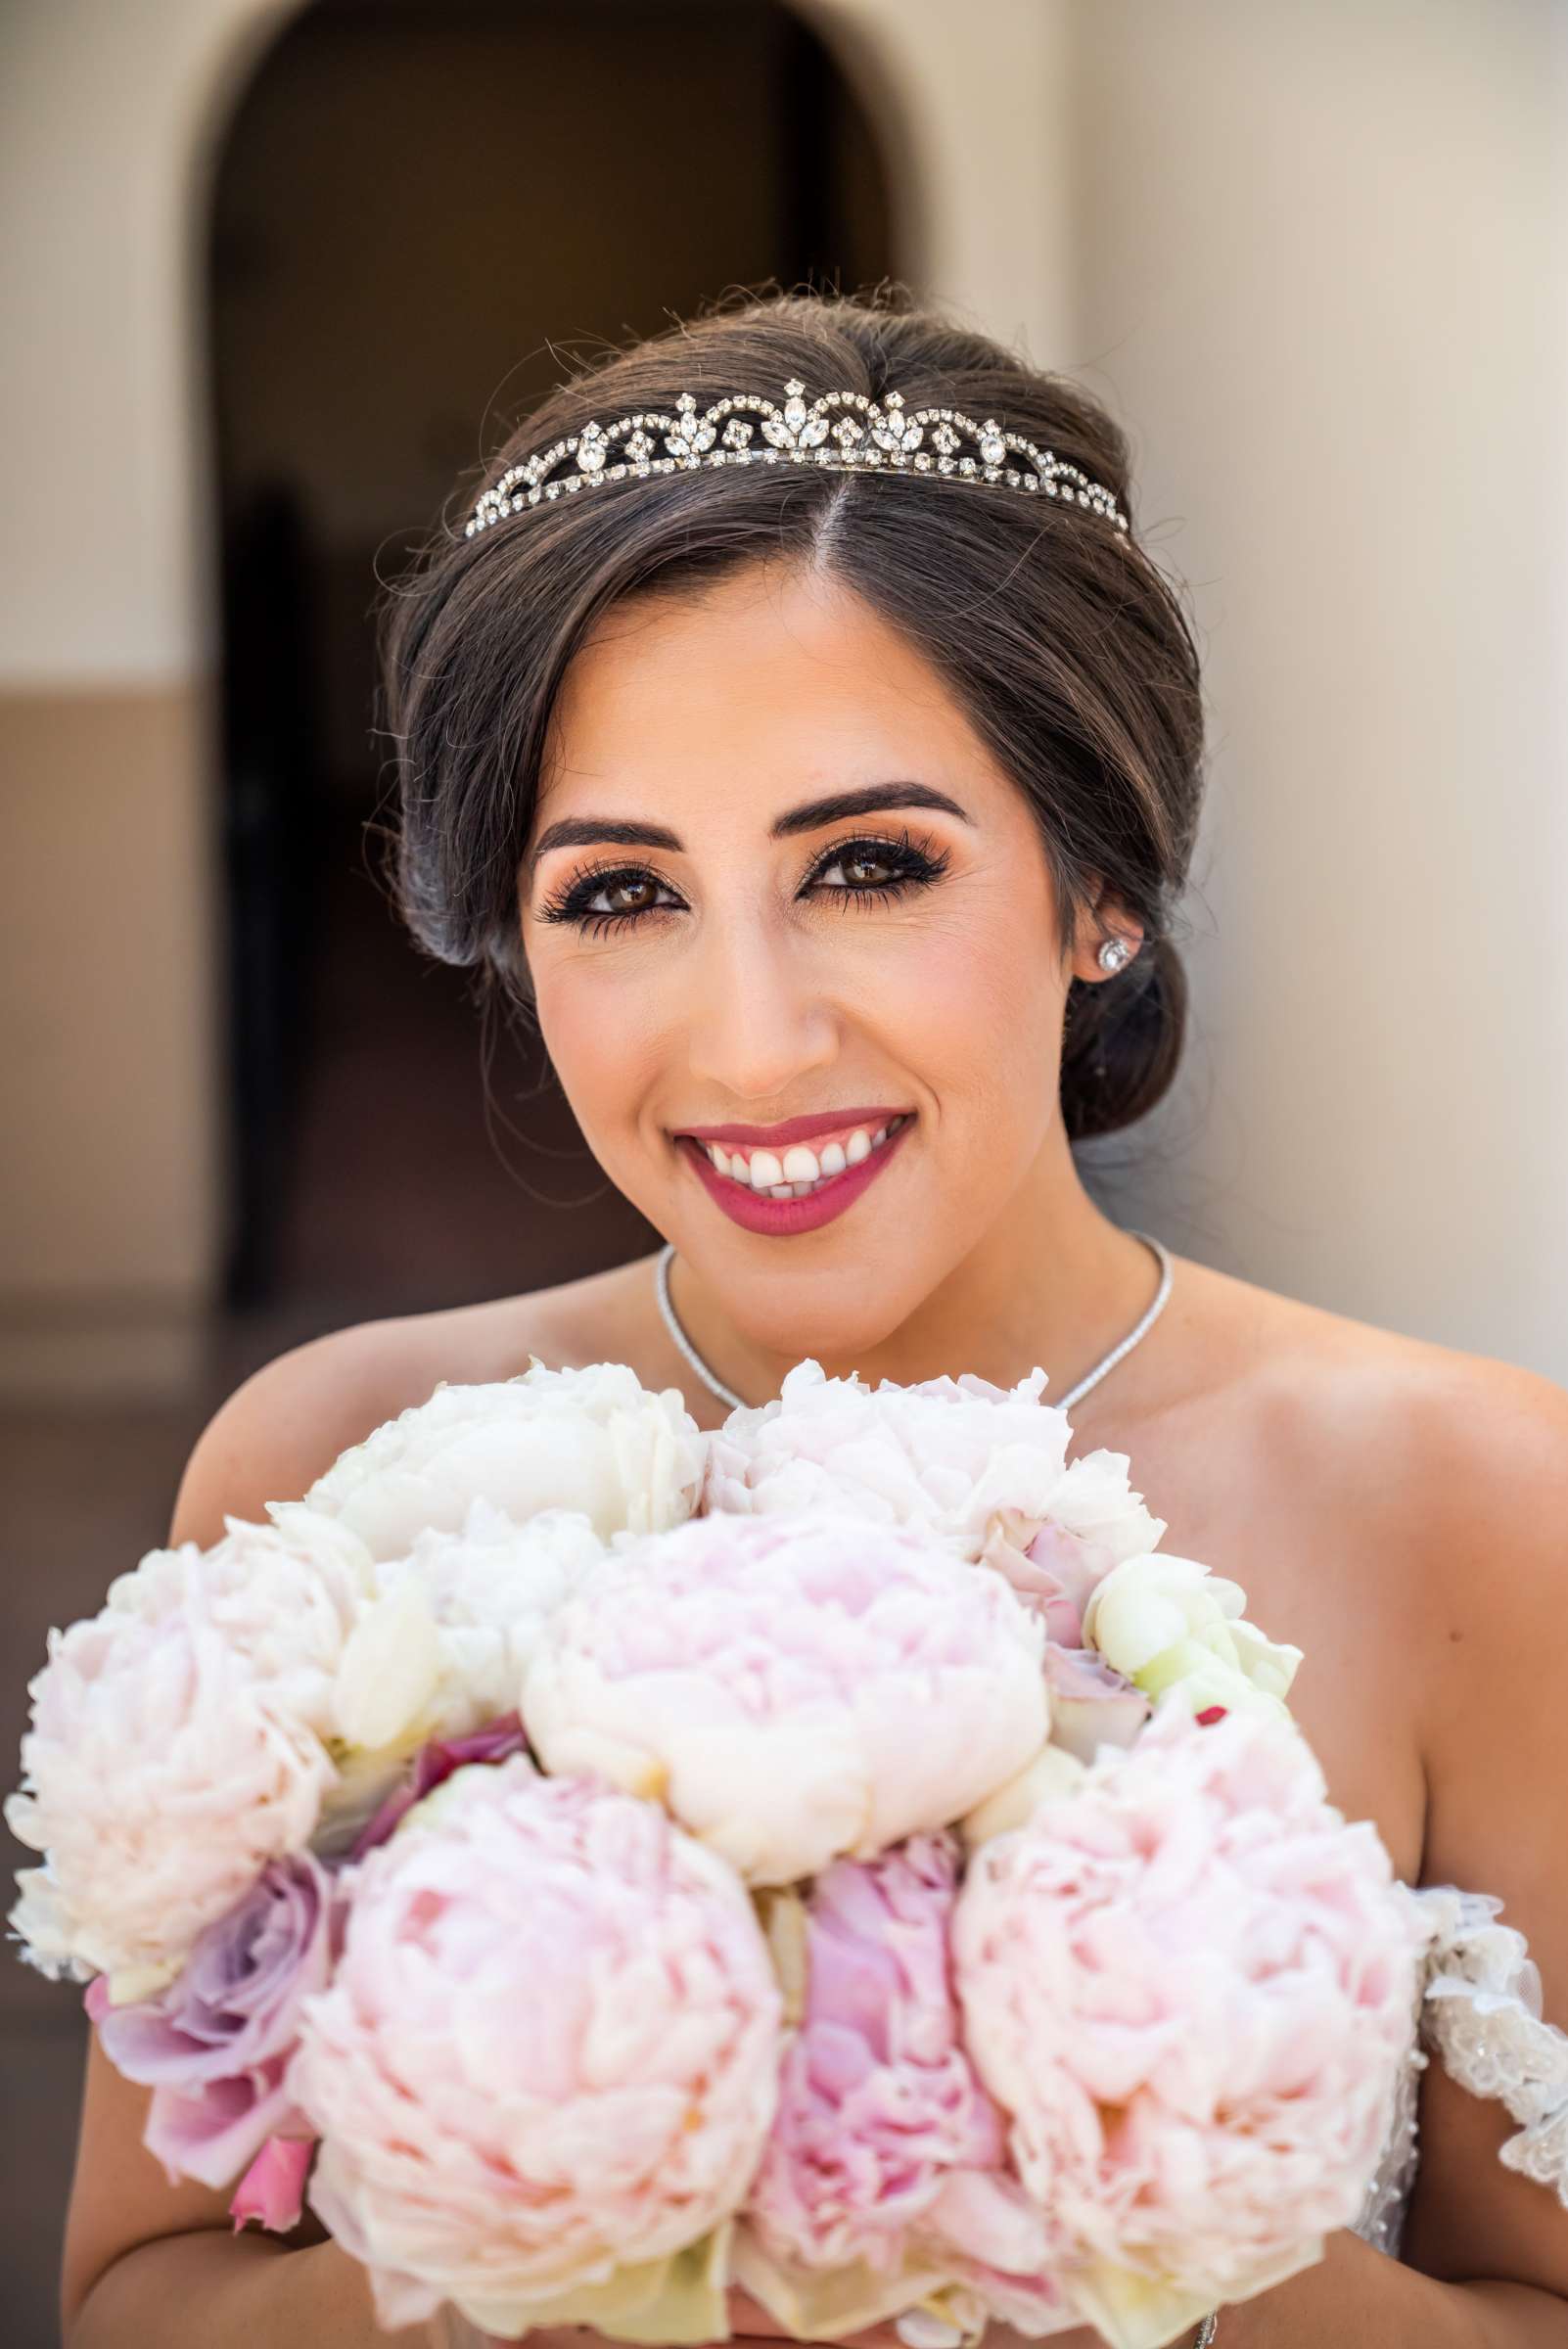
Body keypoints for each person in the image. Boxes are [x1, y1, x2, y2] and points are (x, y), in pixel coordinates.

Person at [58, 285, 1568, 2349]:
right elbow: (142, 2291)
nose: (753, 1045)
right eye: (620, 894)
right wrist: (575, 2223)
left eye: (868, 866)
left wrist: (1050, 2204)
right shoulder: (331, 1468)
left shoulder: (1481, 1506)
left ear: (1102, 888)